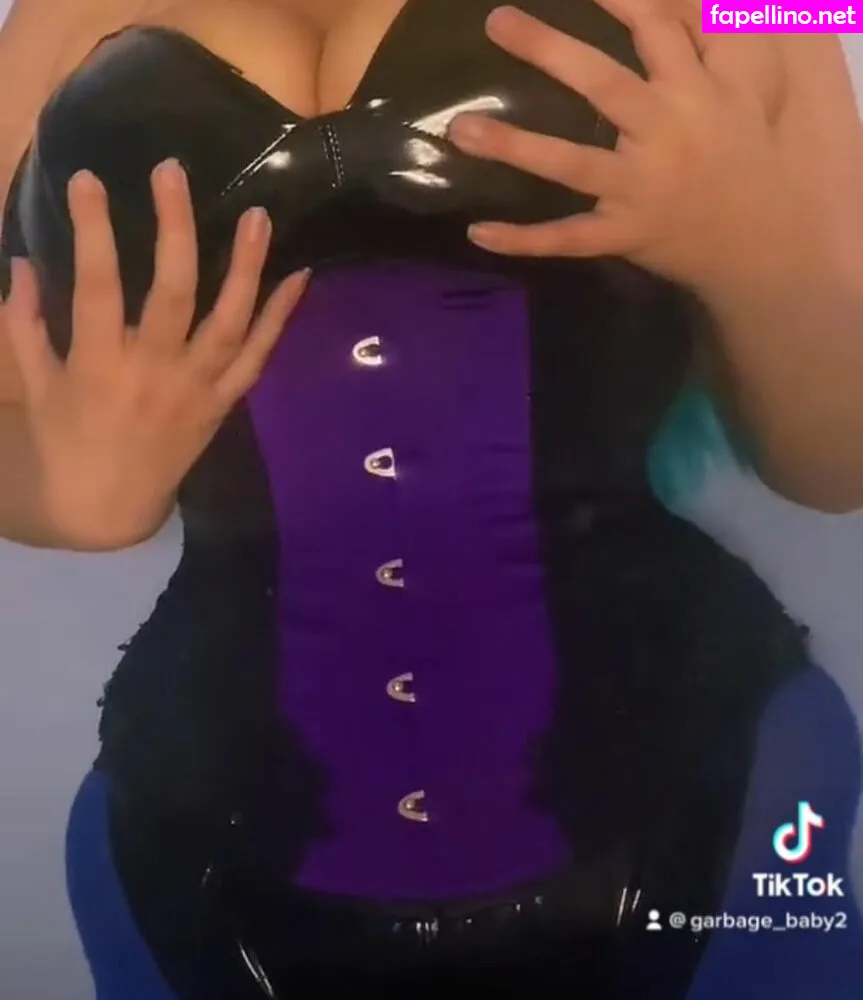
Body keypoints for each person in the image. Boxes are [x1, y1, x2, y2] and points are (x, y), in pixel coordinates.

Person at [1, 0, 863, 996]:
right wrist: (67, 492)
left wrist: (755, 258)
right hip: (196, 861)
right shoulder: (54, 17)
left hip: (715, 802)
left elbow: (836, 460)